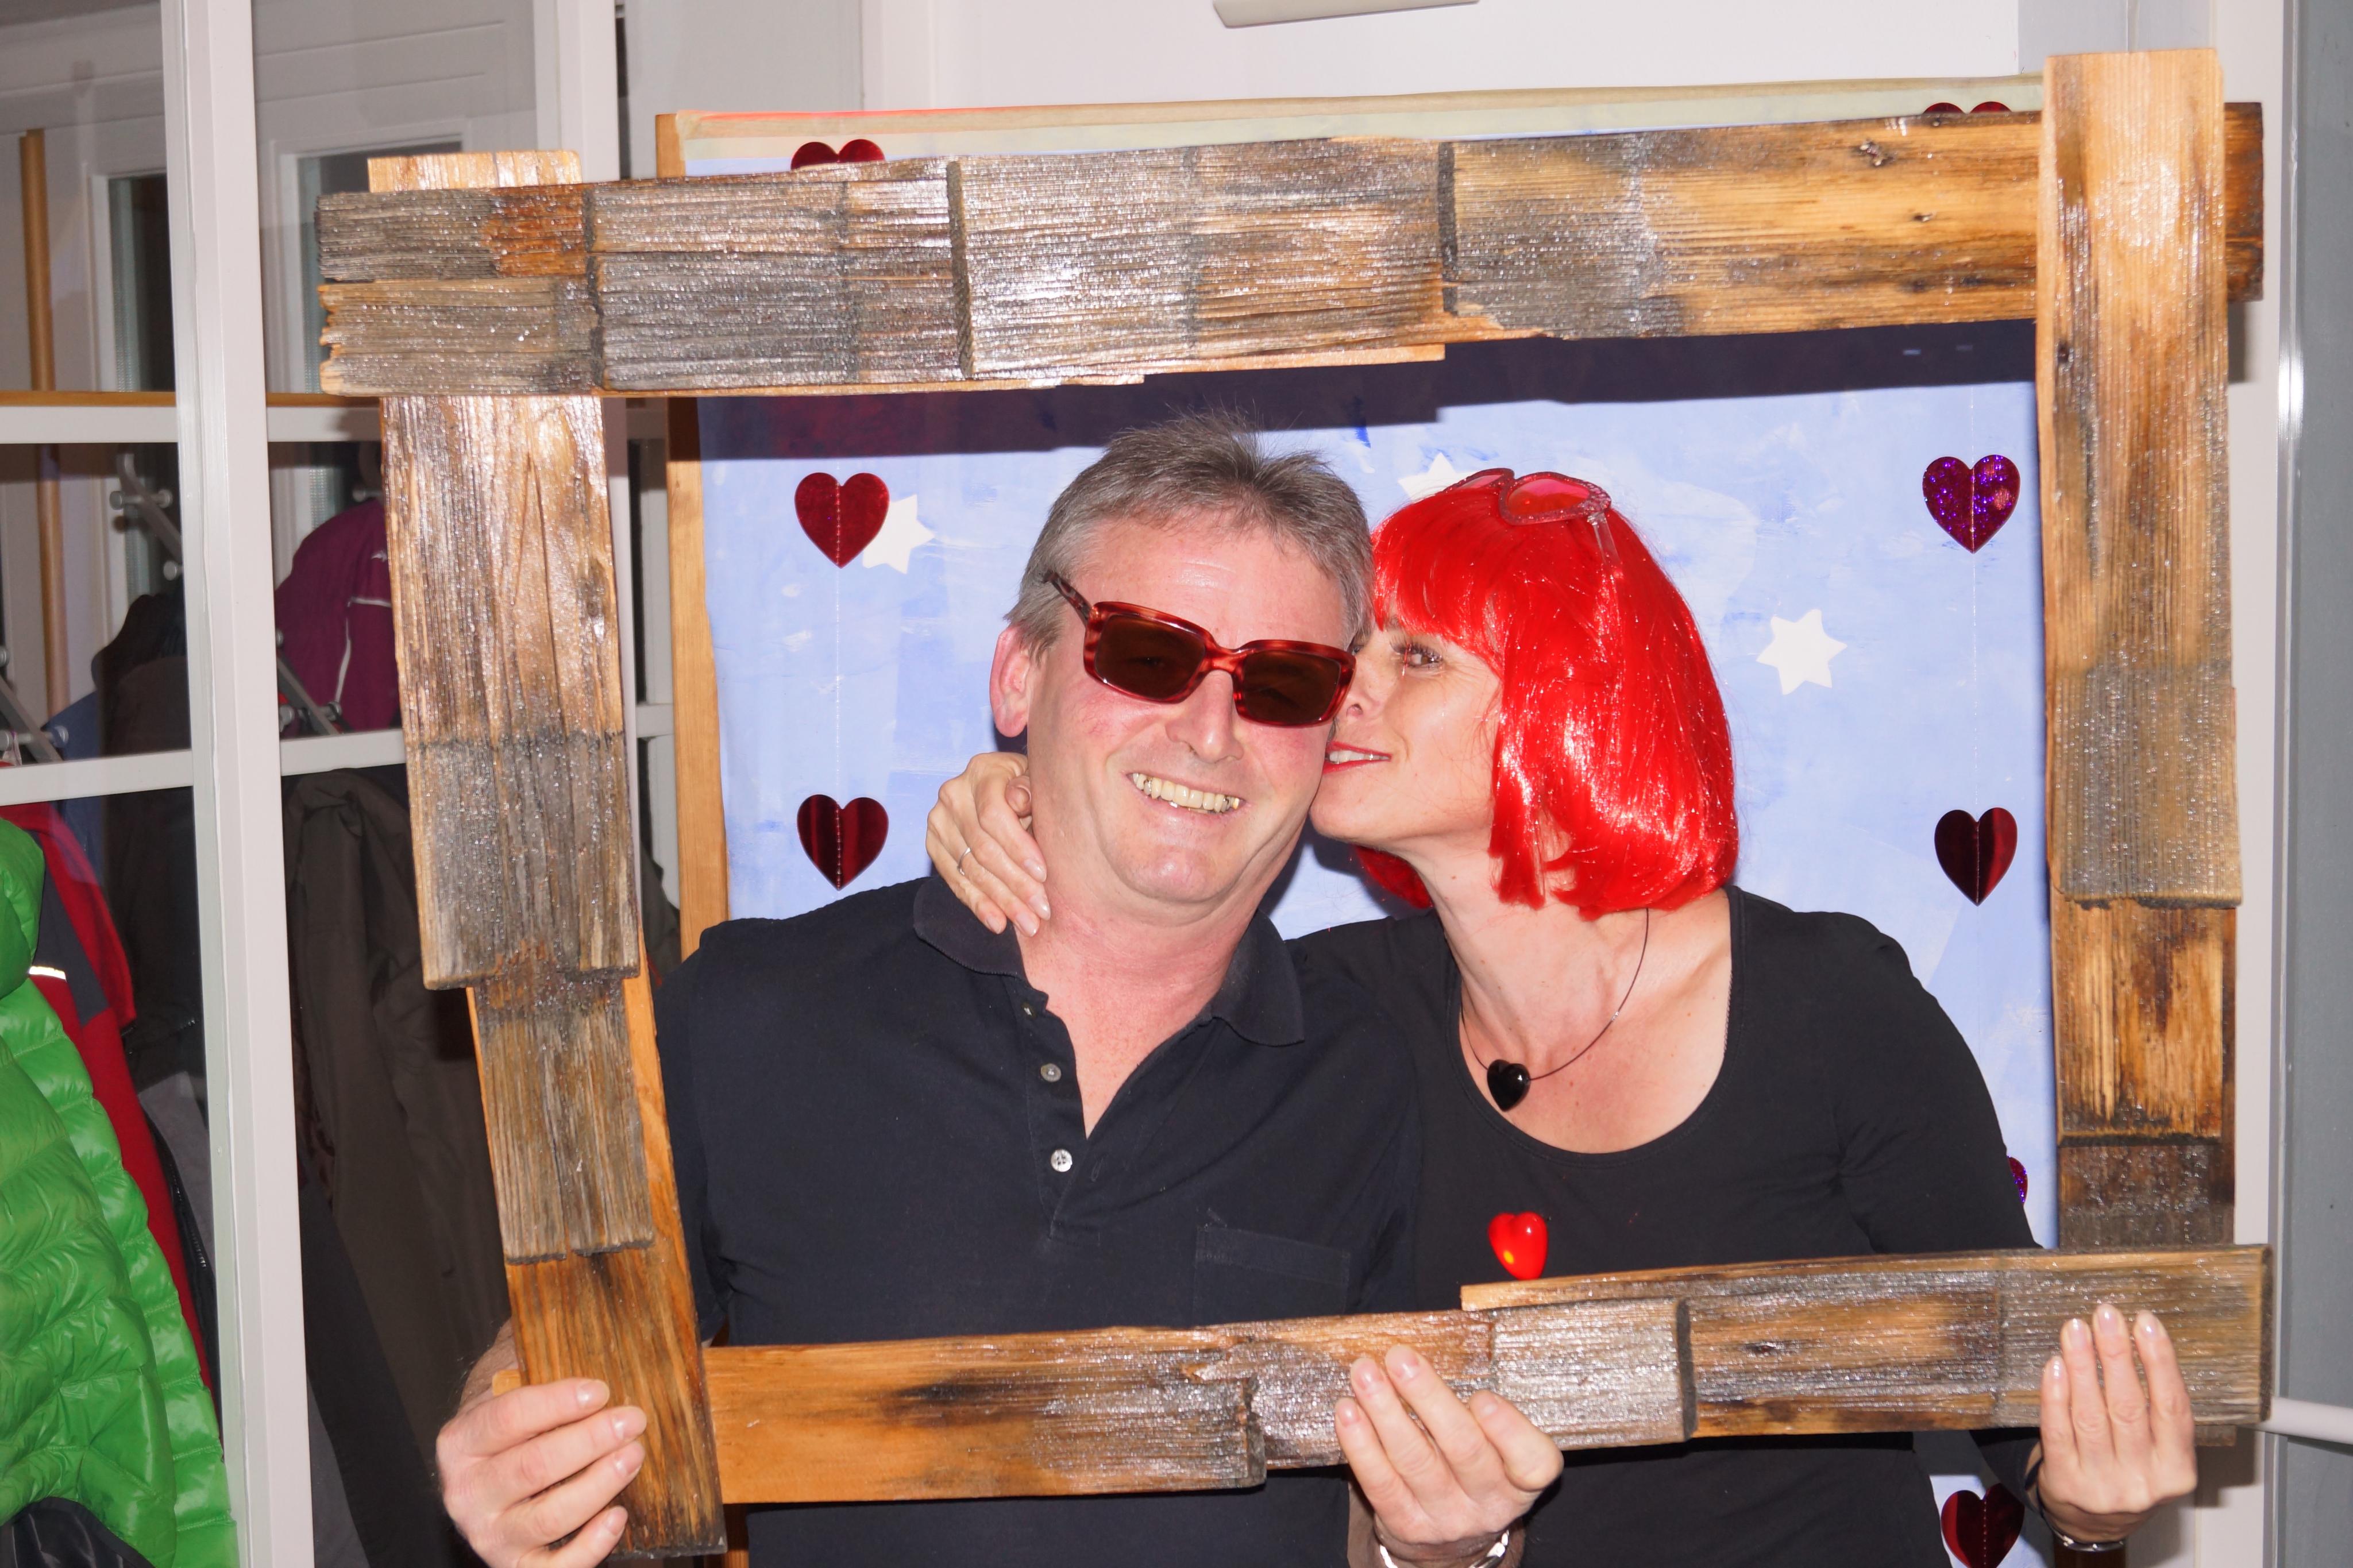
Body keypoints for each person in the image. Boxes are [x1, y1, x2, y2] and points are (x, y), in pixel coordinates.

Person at [930, 465, 2201, 1565]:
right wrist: (1021, 784)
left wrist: (2088, 1510)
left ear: (1564, 701)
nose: (1341, 692)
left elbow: (2032, 1406)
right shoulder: (1337, 1013)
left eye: (1415, 656)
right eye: (1348, 655)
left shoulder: (1826, 1008)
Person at [432, 419, 1564, 1568]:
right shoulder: (753, 1012)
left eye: (1281, 682)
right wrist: (507, 1443)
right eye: (1148, 655)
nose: (1210, 731)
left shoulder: (1385, 1075)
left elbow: (1395, 1505)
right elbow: (565, 1354)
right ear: (1019, 675)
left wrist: (1450, 1548)